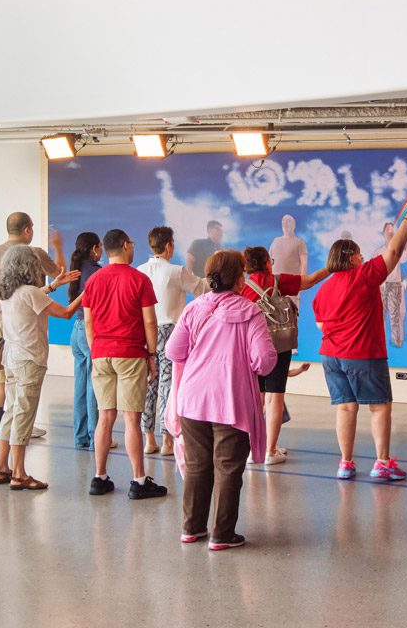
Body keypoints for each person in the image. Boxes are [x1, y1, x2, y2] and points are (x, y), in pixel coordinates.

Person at [163, 249, 277, 550]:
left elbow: (174, 352)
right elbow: (264, 361)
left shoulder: (194, 308)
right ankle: (222, 534)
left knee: (197, 464)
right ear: (239, 278)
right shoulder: (250, 312)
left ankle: (192, 528)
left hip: (193, 398)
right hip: (231, 399)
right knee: (228, 466)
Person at [310, 200, 407, 482]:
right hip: (362, 355)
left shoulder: (324, 289)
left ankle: (346, 464)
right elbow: (394, 251)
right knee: (379, 405)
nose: (362, 258)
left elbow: (322, 324)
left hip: (331, 357)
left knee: (346, 407)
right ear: (351, 259)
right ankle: (382, 463)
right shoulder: (363, 276)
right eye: (359, 254)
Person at [78, 228, 166, 500]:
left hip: (101, 352)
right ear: (126, 245)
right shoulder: (139, 280)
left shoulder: (93, 280)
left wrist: (96, 350)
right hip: (130, 353)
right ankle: (139, 480)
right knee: (131, 418)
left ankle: (100, 476)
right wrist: (152, 355)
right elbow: (150, 322)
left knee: (105, 416)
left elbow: (89, 321)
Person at [0, 246, 84, 490]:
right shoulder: (29, 292)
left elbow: (34, 298)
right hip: (30, 359)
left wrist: (55, 285)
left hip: (11, 358)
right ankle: (20, 473)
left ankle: (2, 467)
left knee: (11, 412)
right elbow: (65, 313)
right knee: (24, 413)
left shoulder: (9, 292)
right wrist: (85, 295)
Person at [241, 243, 334, 464]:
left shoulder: (242, 288)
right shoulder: (278, 281)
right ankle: (270, 450)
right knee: (275, 398)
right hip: (278, 345)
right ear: (267, 263)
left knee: (256, 398)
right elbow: (310, 280)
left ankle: (253, 449)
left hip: (250, 347)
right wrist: (331, 268)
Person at [0, 211, 50, 443]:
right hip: (23, 327)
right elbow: (58, 274)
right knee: (24, 385)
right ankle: (21, 430)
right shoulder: (34, 253)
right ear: (27, 230)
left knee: (3, 378)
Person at [142, 225, 192, 458]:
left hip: (145, 331)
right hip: (171, 331)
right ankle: (167, 440)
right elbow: (202, 288)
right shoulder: (176, 271)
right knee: (168, 385)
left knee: (149, 384)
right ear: (169, 245)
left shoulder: (140, 270)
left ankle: (148, 438)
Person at [67, 232, 104, 452]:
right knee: (93, 386)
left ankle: (81, 437)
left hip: (76, 331)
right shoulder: (96, 272)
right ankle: (95, 437)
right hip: (90, 330)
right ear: (94, 249)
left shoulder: (77, 270)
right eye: (99, 247)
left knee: (80, 386)